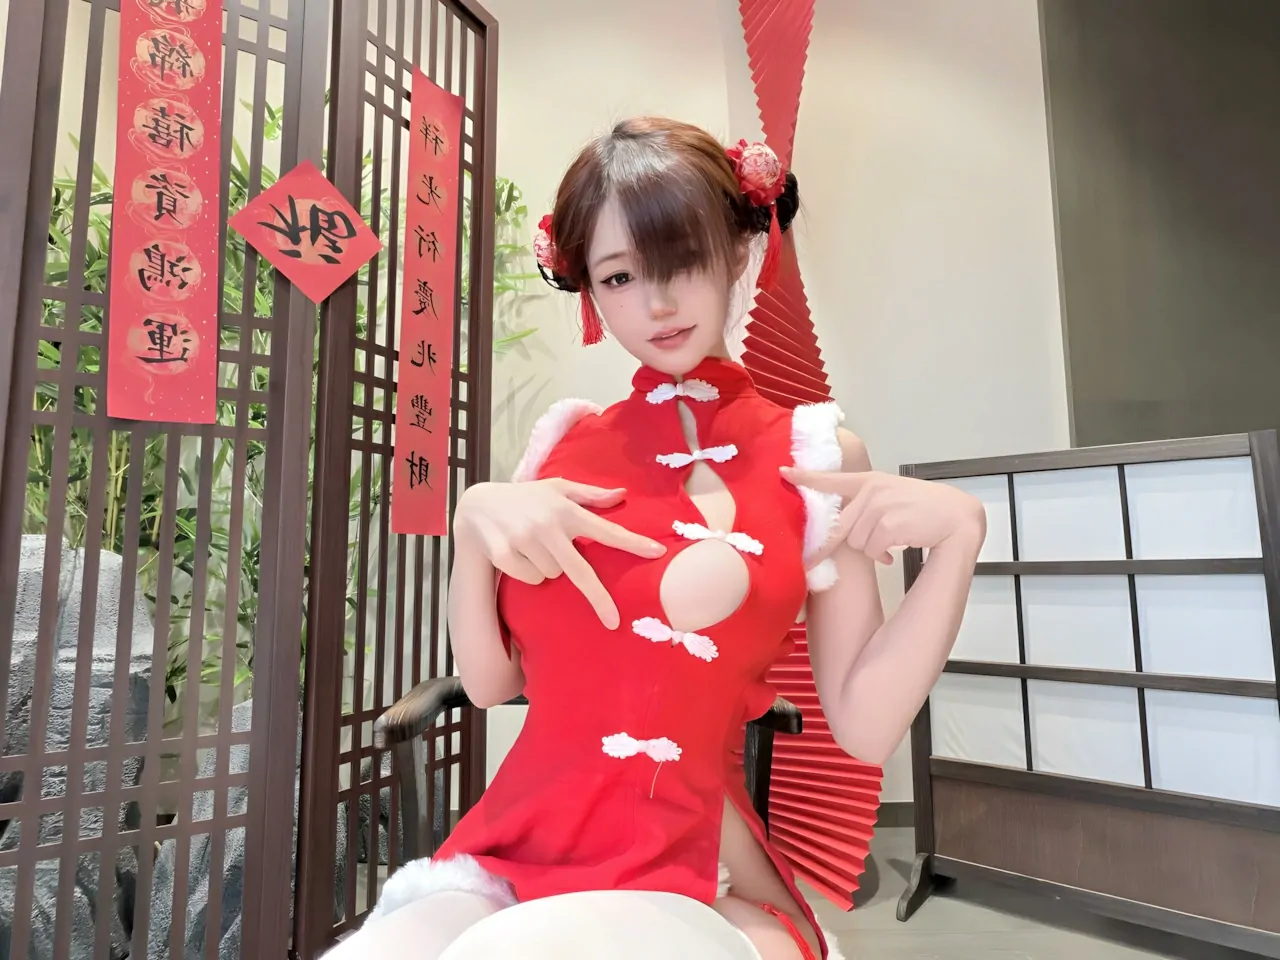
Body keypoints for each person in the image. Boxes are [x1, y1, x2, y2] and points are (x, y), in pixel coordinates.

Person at [329, 117, 985, 960]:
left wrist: (958, 541)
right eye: (620, 276)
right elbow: (491, 684)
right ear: (589, 290)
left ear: (739, 251)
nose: (657, 303)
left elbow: (862, 725)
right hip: (514, 843)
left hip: (695, 857)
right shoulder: (559, 445)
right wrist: (470, 526)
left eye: (681, 262)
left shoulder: (814, 456)